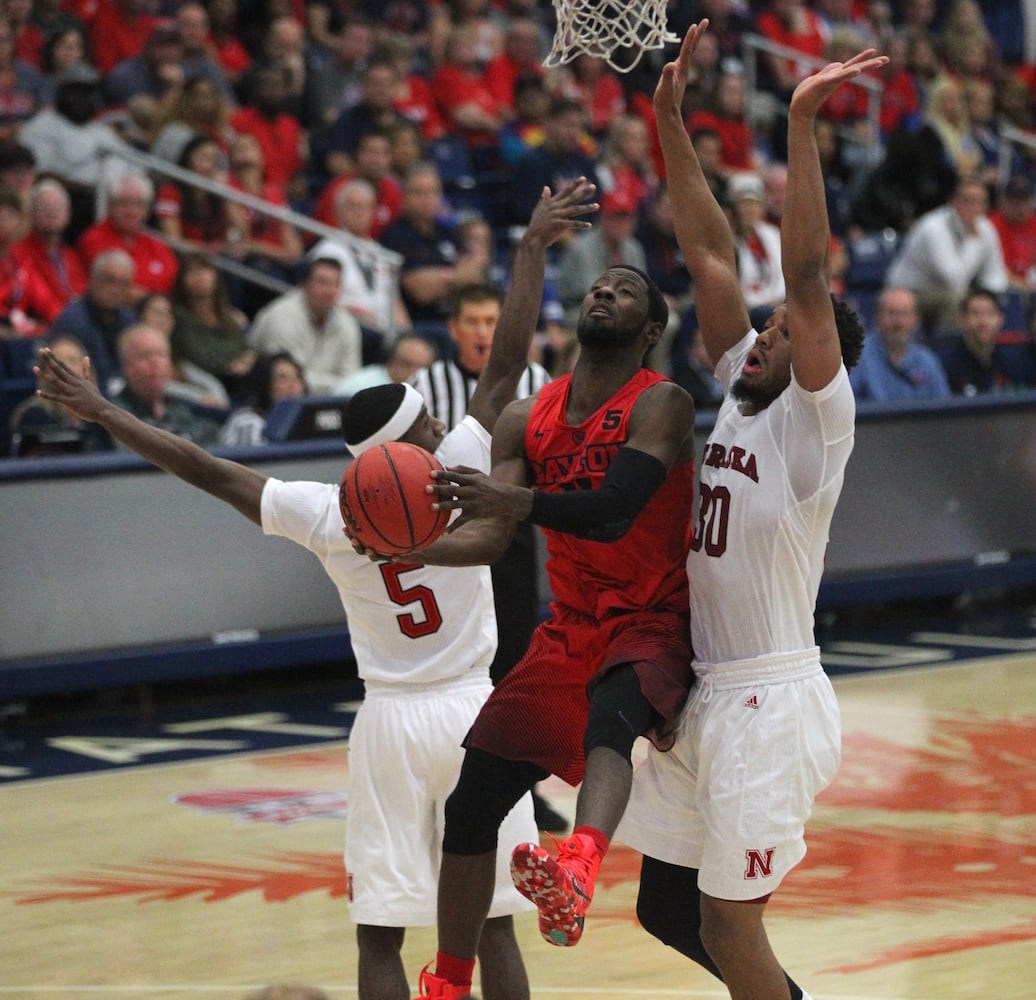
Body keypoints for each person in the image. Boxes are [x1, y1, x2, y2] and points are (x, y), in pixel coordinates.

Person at [35, 178, 599, 1000]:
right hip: (479, 713)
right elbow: (505, 362)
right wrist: (527, 249)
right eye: (427, 423)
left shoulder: (329, 512)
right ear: (408, 439)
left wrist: (104, 412)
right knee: (493, 926)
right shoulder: (460, 470)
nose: (442, 428)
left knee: (379, 934)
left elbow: (204, 466)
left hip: (393, 724)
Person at [615, 24, 877, 1000]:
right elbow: (705, 251)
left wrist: (801, 121)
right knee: (665, 910)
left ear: (819, 359)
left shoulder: (818, 424)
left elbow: (804, 278)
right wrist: (669, 123)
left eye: (780, 331)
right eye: (762, 328)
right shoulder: (737, 385)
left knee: (729, 926)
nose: (762, 333)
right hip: (706, 693)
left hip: (770, 697)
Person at [396, 199, 698, 995]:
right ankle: (448, 983)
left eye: (626, 292)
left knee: (613, 715)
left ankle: (578, 869)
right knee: (469, 806)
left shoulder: (661, 403)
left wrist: (512, 503)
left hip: (652, 615)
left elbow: (614, 510)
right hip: (570, 625)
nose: (605, 293)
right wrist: (410, 547)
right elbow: (490, 538)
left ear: (647, 331)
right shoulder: (528, 418)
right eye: (599, 286)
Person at [407, 281, 563, 834]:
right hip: (447, 536)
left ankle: (525, 788)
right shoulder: (425, 385)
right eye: (471, 321)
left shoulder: (537, 380)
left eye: (491, 321)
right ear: (453, 329)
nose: (481, 332)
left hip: (513, 537)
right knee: (459, 665)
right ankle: (448, 781)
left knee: (517, 662)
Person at [884, 174, 1008, 335]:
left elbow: (996, 275)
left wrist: (989, 298)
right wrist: (972, 238)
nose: (972, 207)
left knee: (987, 303)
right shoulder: (933, 227)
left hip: (946, 290)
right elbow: (953, 279)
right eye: (967, 200)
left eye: (978, 202)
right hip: (907, 291)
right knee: (956, 300)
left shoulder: (986, 228)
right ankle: (951, 353)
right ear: (954, 201)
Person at [248, 257, 363, 395]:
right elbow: (290, 382)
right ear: (305, 284)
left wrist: (336, 385)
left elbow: (352, 381)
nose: (330, 291)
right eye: (323, 282)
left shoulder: (347, 323)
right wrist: (337, 384)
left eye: (336, 284)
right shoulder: (281, 316)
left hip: (321, 402)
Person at [108, 322, 223, 446]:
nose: (155, 363)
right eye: (144, 355)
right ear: (126, 365)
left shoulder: (183, 409)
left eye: (161, 354)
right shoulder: (114, 413)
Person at [77, 171, 180, 303]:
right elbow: (115, 290)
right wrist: (153, 298)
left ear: (147, 210)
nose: (131, 211)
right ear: (110, 205)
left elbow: (173, 283)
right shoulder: (94, 239)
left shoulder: (156, 244)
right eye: (124, 203)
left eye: (139, 204)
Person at [849, 285, 950, 401]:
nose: (898, 322)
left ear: (917, 320)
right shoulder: (857, 356)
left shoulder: (927, 360)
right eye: (891, 313)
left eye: (904, 314)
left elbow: (943, 410)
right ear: (877, 317)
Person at [936, 287, 1036, 395]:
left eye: (990, 313)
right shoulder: (944, 365)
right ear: (963, 319)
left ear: (1000, 319)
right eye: (975, 314)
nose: (983, 322)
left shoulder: (1012, 364)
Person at [217, 350, 307, 446]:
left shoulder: (306, 423)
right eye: (282, 378)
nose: (292, 385)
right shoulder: (246, 422)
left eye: (297, 378)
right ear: (265, 384)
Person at [333, 333, 437, 397]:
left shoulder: (431, 391)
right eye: (407, 365)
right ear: (391, 363)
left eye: (423, 367)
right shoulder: (360, 387)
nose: (415, 373)